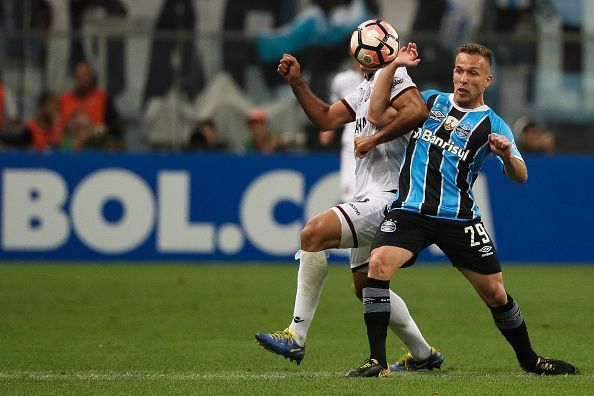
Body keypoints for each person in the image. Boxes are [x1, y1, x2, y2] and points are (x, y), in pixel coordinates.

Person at [346, 43, 578, 377]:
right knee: (378, 266)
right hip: (411, 210)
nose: (463, 78)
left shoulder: (494, 125)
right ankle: (377, 362)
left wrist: (506, 155)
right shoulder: (429, 102)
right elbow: (377, 113)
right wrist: (393, 65)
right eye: (458, 70)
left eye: (472, 73)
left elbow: (521, 175)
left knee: (497, 294)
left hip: (458, 218)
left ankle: (530, 360)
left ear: (488, 80)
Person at [255, 42, 444, 374]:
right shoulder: (366, 88)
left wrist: (374, 139)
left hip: (386, 197)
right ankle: (423, 353)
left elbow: (417, 112)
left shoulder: (398, 77)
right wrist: (298, 83)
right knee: (366, 287)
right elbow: (326, 119)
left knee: (313, 233)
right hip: (369, 196)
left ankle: (296, 334)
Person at [319, 63, 363, 202]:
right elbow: (335, 107)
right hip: (351, 146)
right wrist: (329, 128)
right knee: (349, 198)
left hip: (380, 145)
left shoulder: (386, 76)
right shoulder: (341, 80)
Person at [60, 61, 124, 150]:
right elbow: (58, 128)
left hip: (97, 145)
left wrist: (93, 133)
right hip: (70, 145)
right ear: (75, 77)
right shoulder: (64, 99)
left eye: (86, 74)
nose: (83, 77)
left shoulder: (103, 98)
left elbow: (114, 128)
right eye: (80, 74)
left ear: (92, 77)